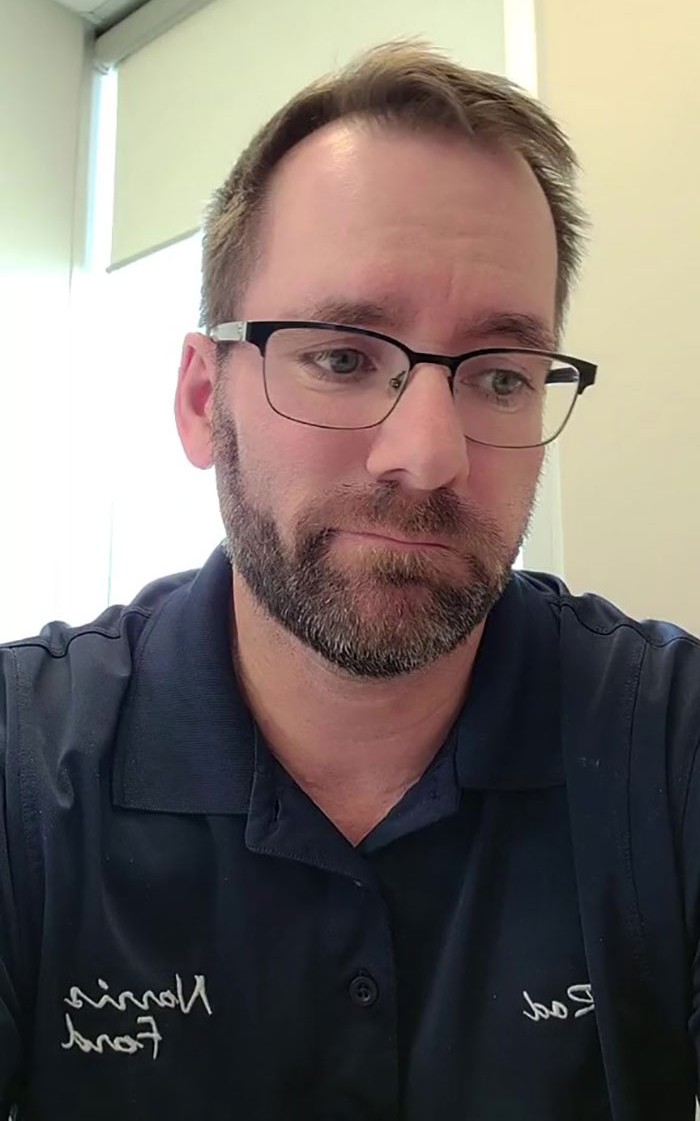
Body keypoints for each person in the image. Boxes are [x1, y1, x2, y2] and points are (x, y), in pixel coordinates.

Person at [1, 40, 699, 1121]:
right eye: (341, 355)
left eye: (501, 375)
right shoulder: (23, 772)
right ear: (202, 399)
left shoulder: (666, 743)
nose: (427, 454)